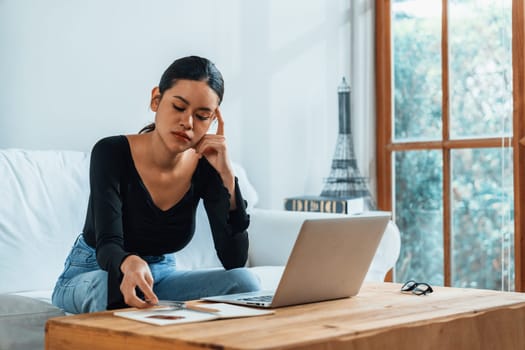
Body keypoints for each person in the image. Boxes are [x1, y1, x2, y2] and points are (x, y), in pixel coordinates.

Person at [52, 56, 261, 313]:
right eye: (178, 107)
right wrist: (128, 263)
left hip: (159, 276)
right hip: (95, 271)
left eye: (202, 115)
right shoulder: (111, 152)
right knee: (108, 288)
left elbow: (234, 260)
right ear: (156, 99)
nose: (188, 122)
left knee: (245, 282)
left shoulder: (207, 166)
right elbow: (108, 244)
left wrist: (227, 176)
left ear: (212, 121)